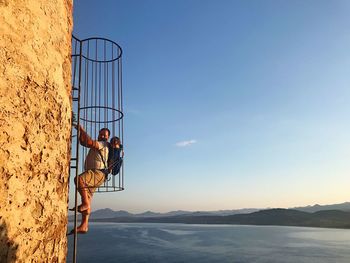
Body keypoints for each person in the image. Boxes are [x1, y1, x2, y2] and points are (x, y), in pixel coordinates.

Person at [68, 125, 110, 235]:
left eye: (104, 135)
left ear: (108, 137)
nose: (102, 136)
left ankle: (85, 204)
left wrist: (82, 130)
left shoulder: (103, 144)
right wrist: (81, 133)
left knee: (79, 179)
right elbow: (84, 142)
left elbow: (89, 142)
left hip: (97, 173)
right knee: (87, 196)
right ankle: (84, 225)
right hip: (97, 174)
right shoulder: (99, 144)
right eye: (101, 134)